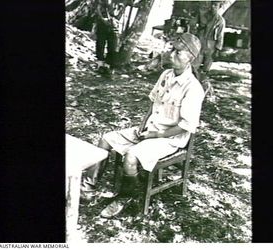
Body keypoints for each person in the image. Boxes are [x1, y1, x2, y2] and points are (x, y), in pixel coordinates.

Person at [81, 33, 205, 218]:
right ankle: (87, 187)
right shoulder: (166, 75)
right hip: (150, 128)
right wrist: (141, 127)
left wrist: (154, 135)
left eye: (178, 52)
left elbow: (185, 126)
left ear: (191, 59)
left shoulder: (193, 88)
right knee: (106, 139)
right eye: (172, 49)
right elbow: (152, 103)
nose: (171, 54)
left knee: (131, 157)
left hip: (170, 138)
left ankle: (125, 196)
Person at [190, 0, 226, 72]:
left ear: (219, 7)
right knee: (195, 64)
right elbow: (192, 23)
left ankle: (203, 77)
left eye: (215, 5)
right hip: (200, 43)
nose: (213, 6)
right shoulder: (202, 15)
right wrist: (194, 31)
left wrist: (218, 49)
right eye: (212, 4)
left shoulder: (220, 20)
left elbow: (220, 35)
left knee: (207, 66)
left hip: (211, 46)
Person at [95, 0, 125, 68]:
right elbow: (98, 8)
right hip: (102, 24)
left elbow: (134, 4)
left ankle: (108, 65)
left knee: (112, 46)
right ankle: (100, 63)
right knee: (100, 44)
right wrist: (103, 19)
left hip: (114, 26)